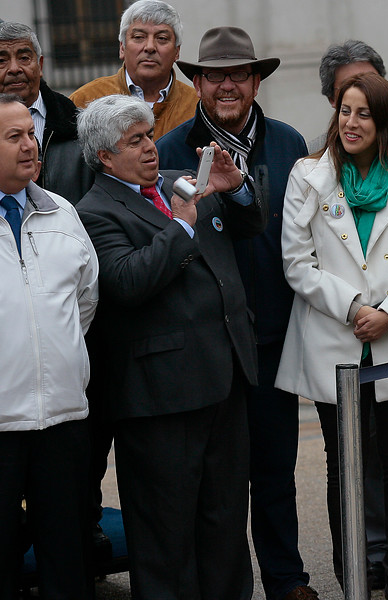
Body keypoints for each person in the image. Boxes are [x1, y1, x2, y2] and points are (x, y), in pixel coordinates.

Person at [76, 94, 264, 600]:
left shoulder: (180, 180)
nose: (150, 147)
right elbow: (128, 281)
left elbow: (250, 227)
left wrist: (236, 187)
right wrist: (182, 224)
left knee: (225, 520)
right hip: (160, 395)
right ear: (104, 157)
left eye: (149, 134)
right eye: (134, 141)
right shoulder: (92, 212)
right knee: (166, 532)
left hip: (224, 375)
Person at [275, 72, 388, 600]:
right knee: (344, 464)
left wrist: (387, 314)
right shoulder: (308, 175)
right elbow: (295, 262)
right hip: (336, 335)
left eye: (364, 113)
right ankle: (353, 573)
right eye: (345, 111)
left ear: (385, 122)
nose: (351, 123)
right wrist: (354, 307)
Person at [155, 26, 313, 600]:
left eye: (239, 74)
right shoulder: (168, 150)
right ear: (196, 82)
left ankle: (287, 578)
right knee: (214, 482)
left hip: (272, 332)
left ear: (255, 81)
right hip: (208, 341)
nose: (227, 85)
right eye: (215, 75)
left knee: (275, 471)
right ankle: (219, 586)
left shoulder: (289, 143)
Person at [0, 94, 99, 599]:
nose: (29, 145)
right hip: (1, 424)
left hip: (61, 419)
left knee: (67, 557)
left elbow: (85, 300)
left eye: (29, 133)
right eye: (12, 136)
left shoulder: (60, 211)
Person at [70, 0, 196, 138]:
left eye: (162, 38)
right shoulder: (85, 100)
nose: (149, 47)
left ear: (177, 51)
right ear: (122, 47)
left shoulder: (196, 106)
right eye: (138, 37)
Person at [0, 22, 93, 203]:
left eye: (24, 58)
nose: (14, 69)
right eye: (1, 61)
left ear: (40, 65)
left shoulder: (80, 128)